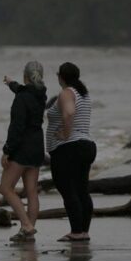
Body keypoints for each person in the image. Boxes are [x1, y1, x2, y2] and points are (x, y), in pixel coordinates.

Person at [46, 62, 96, 242]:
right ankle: (83, 231)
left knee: (68, 190)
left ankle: (76, 232)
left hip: (69, 148)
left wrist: (65, 134)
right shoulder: (84, 94)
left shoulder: (67, 93)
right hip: (86, 146)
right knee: (82, 190)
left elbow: (68, 113)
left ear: (60, 76)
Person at [0, 60, 47, 242]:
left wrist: (7, 150)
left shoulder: (22, 98)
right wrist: (11, 84)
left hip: (22, 147)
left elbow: (17, 127)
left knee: (5, 187)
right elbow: (23, 90)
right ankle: (29, 231)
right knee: (32, 191)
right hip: (37, 146)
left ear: (25, 76)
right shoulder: (40, 94)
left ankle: (26, 225)